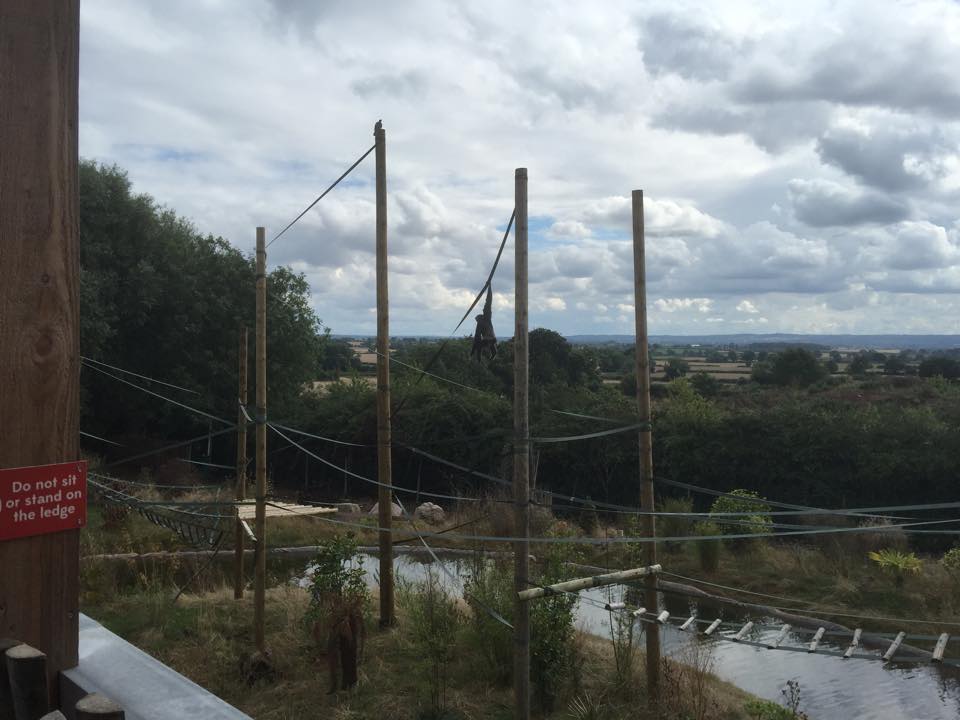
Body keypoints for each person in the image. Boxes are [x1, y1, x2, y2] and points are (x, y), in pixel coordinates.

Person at [470, 285, 497, 360]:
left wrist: (489, 287)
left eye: (477, 319)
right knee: (479, 343)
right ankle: (492, 355)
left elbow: (488, 301)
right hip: (492, 339)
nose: (477, 321)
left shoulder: (485, 318)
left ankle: (479, 358)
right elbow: (477, 337)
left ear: (479, 317)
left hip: (488, 339)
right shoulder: (484, 321)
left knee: (478, 344)